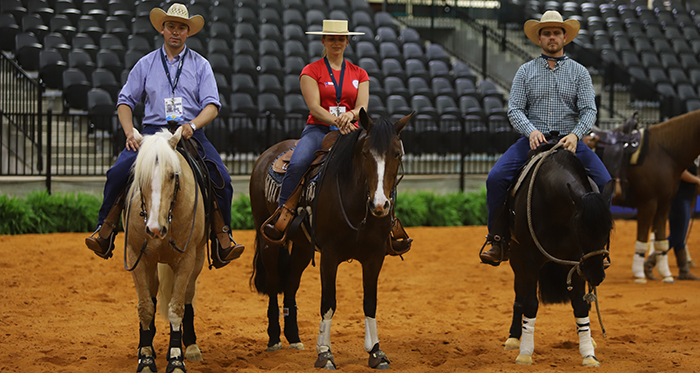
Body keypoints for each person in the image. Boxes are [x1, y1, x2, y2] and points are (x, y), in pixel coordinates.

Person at [85, 3, 244, 269]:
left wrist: (192, 125)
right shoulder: (146, 63)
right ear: (162, 28)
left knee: (221, 178)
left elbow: (212, 106)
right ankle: (105, 229)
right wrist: (129, 132)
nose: (176, 32)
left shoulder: (201, 65)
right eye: (171, 26)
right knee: (117, 173)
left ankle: (221, 238)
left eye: (182, 28)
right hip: (151, 134)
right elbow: (125, 100)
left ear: (188, 33)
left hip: (188, 133)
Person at [261, 19, 411, 253]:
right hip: (318, 129)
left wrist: (349, 116)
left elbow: (362, 106)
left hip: (352, 130)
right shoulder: (310, 71)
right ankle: (284, 213)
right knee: (299, 161)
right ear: (323, 40)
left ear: (347, 41)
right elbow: (314, 107)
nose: (336, 42)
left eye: (341, 38)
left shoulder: (359, 73)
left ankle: (388, 223)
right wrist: (336, 120)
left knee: (377, 163)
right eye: (331, 38)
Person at [479, 10, 612, 266]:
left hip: (570, 142)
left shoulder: (580, 73)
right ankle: (497, 240)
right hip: (533, 141)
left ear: (565, 37)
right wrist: (530, 131)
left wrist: (576, 134)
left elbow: (589, 110)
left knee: (605, 183)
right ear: (539, 39)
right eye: (547, 33)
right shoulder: (525, 71)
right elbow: (515, 109)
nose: (552, 37)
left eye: (556, 33)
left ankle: (599, 246)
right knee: (495, 179)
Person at [666, 164, 700, 280]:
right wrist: (697, 180)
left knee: (680, 237)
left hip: (686, 198)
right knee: (677, 236)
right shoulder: (685, 154)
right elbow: (680, 172)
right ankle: (651, 261)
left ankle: (684, 270)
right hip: (679, 199)